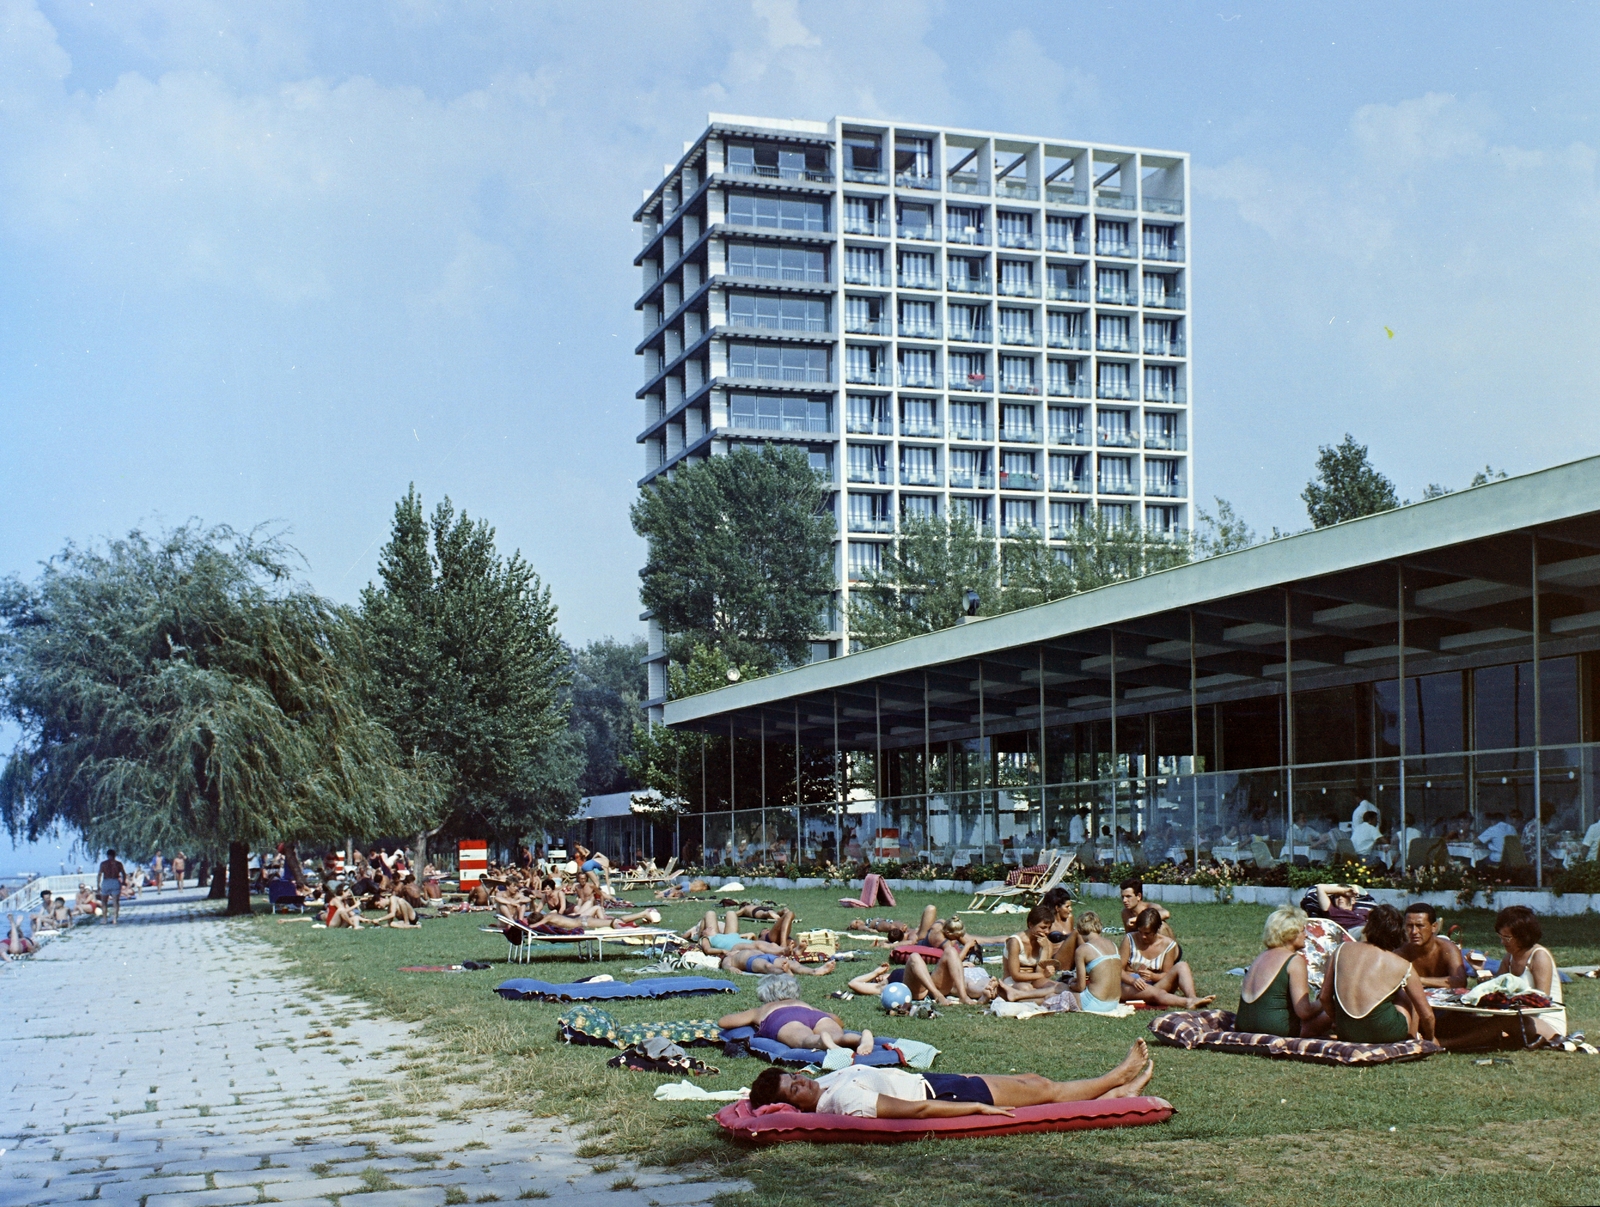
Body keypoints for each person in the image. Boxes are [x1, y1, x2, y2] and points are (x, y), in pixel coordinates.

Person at [749, 1040, 1155, 1117]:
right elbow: (918, 1110)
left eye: (795, 1079)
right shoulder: (842, 1103)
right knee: (1044, 1091)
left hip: (937, 1078)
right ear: (793, 1105)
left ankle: (1120, 1093)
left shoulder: (829, 1082)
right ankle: (1119, 1076)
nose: (802, 1084)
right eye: (795, 1092)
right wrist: (973, 1106)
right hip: (945, 1092)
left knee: (1033, 1078)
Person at [1318, 903, 1435, 1043]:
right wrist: (1430, 1039)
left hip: (1346, 1031)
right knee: (1406, 996)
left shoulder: (1341, 949)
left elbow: (1324, 996)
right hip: (1385, 1032)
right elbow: (1427, 1015)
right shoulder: (1402, 965)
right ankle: (1411, 1039)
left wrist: (1336, 1021)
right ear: (1397, 931)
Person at [1235, 905, 1330, 1037]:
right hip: (1275, 1028)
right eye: (1303, 931)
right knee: (1333, 1011)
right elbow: (1304, 1012)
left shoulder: (1261, 957)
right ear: (1291, 934)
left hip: (1243, 1025)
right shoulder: (1294, 960)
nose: (1306, 935)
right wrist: (1323, 1001)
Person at [717, 974, 866, 1052]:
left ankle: (820, 1042)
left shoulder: (765, 1008)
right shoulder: (804, 1004)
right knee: (838, 1036)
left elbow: (724, 1022)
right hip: (815, 1015)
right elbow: (835, 1019)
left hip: (783, 1018)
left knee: (804, 1039)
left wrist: (751, 1019)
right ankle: (858, 1039)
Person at [1495, 904, 1567, 1042]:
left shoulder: (1539, 956)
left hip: (1546, 1022)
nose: (1502, 942)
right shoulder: (1509, 957)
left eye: (1507, 938)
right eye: (1500, 936)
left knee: (1501, 1023)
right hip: (1520, 1017)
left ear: (1522, 936)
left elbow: (1541, 1001)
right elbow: (1495, 990)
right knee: (1487, 1022)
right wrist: (1479, 971)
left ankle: (1446, 1044)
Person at [1119, 907, 1213, 1009]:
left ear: (1155, 930)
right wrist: (1132, 981)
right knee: (1154, 993)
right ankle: (1186, 1002)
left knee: (1182, 965)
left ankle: (1192, 997)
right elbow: (1118, 970)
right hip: (1131, 986)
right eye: (1140, 932)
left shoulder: (1168, 944)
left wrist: (1153, 976)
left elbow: (1166, 974)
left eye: (1147, 933)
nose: (1143, 936)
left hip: (1156, 985)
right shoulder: (1130, 939)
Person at [1398, 903, 1467, 989]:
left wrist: (1418, 980)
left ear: (1434, 927)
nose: (1414, 931)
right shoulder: (1401, 952)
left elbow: (1460, 981)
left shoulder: (1447, 949)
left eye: (1420, 925)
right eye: (1409, 926)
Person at [1071, 912, 1125, 1014]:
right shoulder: (1113, 945)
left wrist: (1070, 984)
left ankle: (1031, 997)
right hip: (1114, 1002)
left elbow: (1080, 987)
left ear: (1080, 929)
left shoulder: (1083, 949)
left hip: (1094, 1003)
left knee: (1057, 994)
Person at [98, 849, 126, 924]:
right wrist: (123, 882)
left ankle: (104, 919)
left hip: (106, 881)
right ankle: (115, 919)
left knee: (104, 902)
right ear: (114, 855)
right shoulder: (118, 864)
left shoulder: (103, 864)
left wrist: (98, 885)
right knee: (115, 902)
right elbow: (123, 873)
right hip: (115, 881)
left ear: (107, 855)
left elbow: (100, 874)